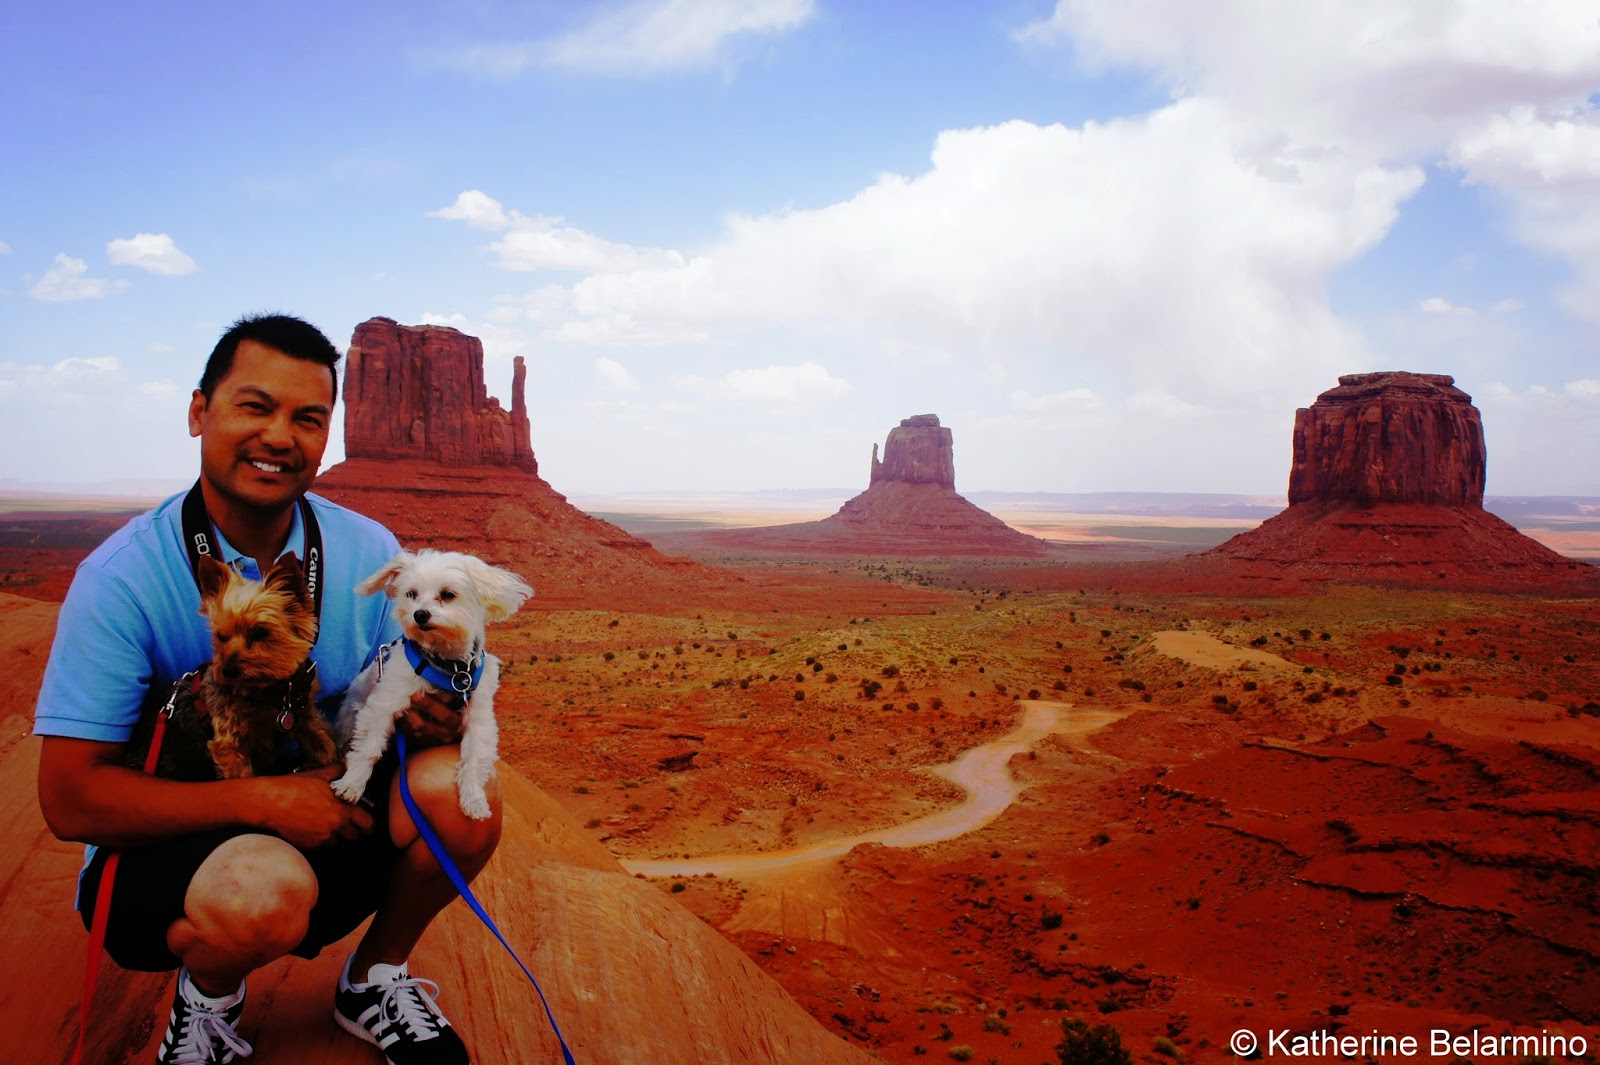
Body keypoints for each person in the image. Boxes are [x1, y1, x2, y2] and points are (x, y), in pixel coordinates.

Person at [34, 314, 499, 1065]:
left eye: (308, 418)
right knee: (261, 891)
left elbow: (392, 697)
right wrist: (266, 800)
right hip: (179, 846)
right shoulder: (121, 579)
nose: (280, 436)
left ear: (327, 434)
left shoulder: (367, 550)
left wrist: (430, 717)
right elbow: (68, 800)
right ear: (199, 411)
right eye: (255, 406)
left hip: (326, 806)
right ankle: (206, 1001)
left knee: (465, 793)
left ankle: (373, 977)